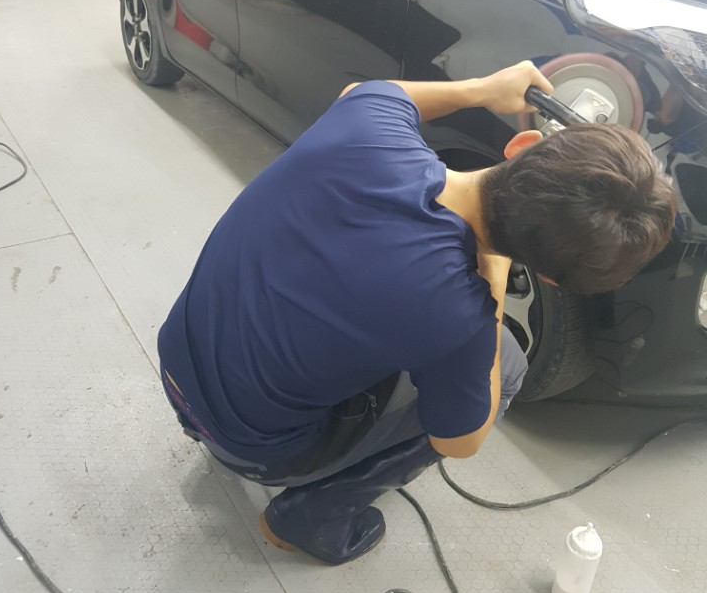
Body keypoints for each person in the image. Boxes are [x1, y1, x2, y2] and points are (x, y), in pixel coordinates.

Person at [158, 62, 676, 564]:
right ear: (551, 278)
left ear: (520, 145)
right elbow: (461, 439)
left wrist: (483, 88)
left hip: (175, 368)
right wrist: (493, 281)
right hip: (254, 450)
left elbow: (365, 91)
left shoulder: (367, 129)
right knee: (507, 364)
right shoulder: (458, 316)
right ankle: (311, 517)